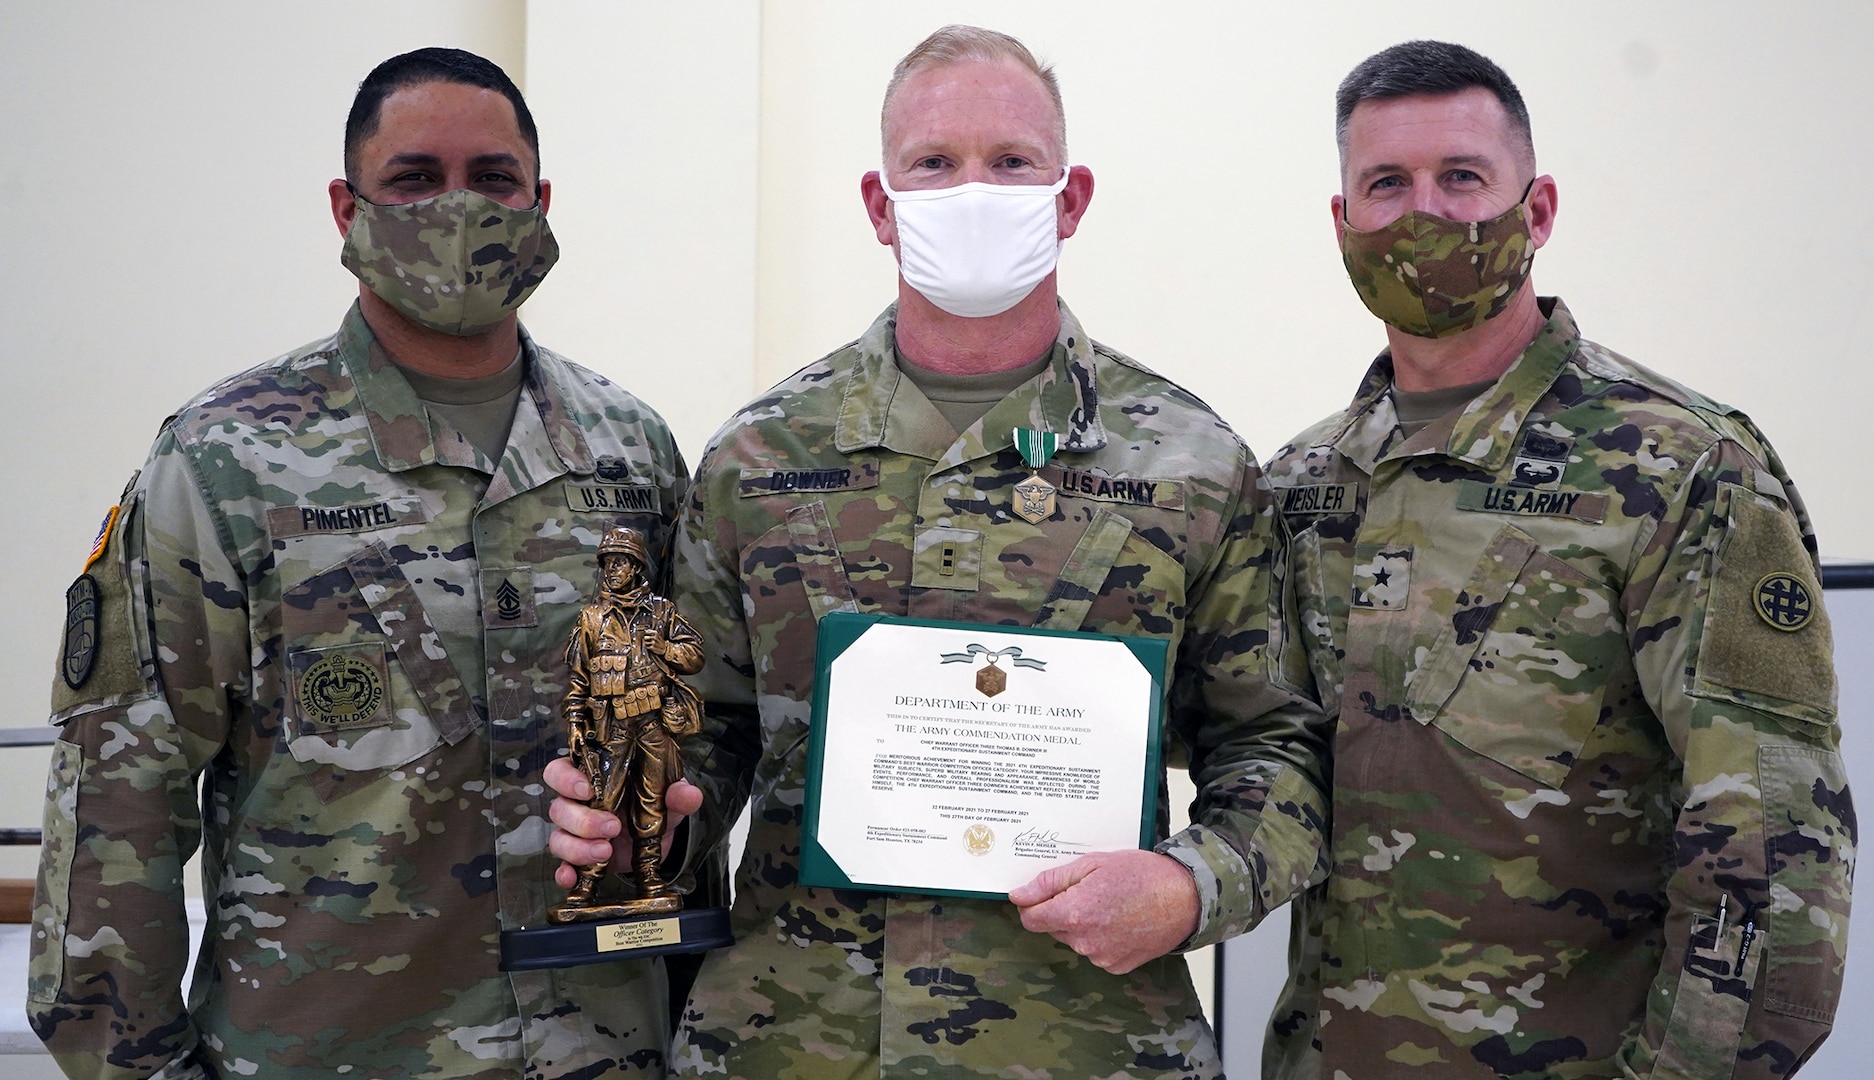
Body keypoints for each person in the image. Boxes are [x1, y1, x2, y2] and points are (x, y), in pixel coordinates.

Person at [545, 24, 1329, 1078]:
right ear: (880, 205)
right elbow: (713, 731)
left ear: (1070, 197)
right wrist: (647, 817)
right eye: (933, 163)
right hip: (789, 1042)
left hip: (1084, 1045)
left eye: (1010, 163)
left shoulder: (1189, 463)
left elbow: (1272, 746)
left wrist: (1193, 887)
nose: (973, 190)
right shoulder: (760, 456)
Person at [30, 47, 688, 1078]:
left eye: (494, 179)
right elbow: (119, 800)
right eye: (415, 179)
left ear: (539, 201)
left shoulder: (629, 450)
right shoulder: (227, 458)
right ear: (347, 206)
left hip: (595, 1051)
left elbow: (679, 743)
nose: (458, 207)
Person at [1262, 39, 1852, 1079]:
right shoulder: (1301, 487)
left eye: (1460, 178)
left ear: (1533, 212)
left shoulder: (1681, 469)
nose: (1423, 215)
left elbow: (1772, 861)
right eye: (1384, 185)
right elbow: (1241, 753)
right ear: (1340, 222)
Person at [558, 525, 705, 916]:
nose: (612, 569)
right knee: (601, 804)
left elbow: (695, 656)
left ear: (637, 566)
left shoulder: (662, 612)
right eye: (607, 562)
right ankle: (588, 882)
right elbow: (578, 679)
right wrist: (575, 723)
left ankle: (650, 875)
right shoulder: (591, 619)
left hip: (654, 723)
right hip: (611, 729)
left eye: (620, 562)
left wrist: (667, 648)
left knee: (652, 804)